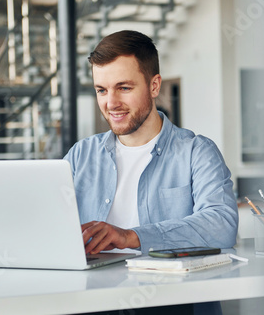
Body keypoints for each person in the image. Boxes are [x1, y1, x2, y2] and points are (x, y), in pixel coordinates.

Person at [63, 30, 238, 257]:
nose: (111, 103)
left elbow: (222, 226)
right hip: (91, 289)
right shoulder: (81, 155)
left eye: (124, 88)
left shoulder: (196, 152)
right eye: (101, 90)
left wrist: (130, 237)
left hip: (168, 288)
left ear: (154, 86)